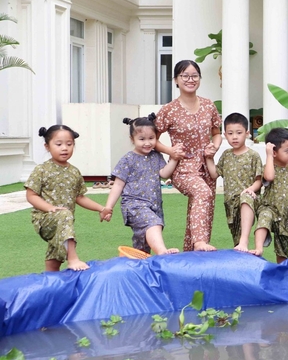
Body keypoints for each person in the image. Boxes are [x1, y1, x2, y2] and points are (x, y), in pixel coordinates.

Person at [155, 60, 222, 252]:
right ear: (176, 80)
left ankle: (192, 256)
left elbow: (217, 133)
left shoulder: (209, 106)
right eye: (185, 76)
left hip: (207, 168)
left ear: (199, 79)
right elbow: (153, 140)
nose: (190, 80)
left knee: (205, 210)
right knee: (202, 193)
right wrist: (171, 151)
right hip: (183, 169)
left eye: (194, 76)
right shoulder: (168, 110)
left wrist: (214, 147)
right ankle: (199, 242)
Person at [25, 125, 106, 271]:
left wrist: (101, 208)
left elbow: (79, 197)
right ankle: (73, 259)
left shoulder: (74, 172)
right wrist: (50, 208)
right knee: (64, 215)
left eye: (69, 144)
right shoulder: (41, 170)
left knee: (56, 252)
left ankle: (51, 280)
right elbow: (31, 195)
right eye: (59, 144)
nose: (64, 148)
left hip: (64, 223)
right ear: (47, 146)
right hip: (45, 219)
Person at [102, 114, 182, 255]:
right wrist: (108, 207)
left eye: (151, 138)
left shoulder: (156, 156)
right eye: (142, 139)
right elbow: (118, 185)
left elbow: (164, 174)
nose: (147, 143)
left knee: (143, 244)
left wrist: (174, 159)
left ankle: (138, 263)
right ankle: (162, 252)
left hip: (153, 206)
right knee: (153, 223)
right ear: (132, 139)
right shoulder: (128, 159)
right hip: (134, 205)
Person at [206, 112, 263, 252]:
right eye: (230, 133)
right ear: (225, 135)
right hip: (230, 202)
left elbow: (259, 180)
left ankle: (244, 241)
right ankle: (244, 255)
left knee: (245, 199)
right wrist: (208, 157)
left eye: (239, 133)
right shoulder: (226, 155)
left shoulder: (253, 155)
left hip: (249, 199)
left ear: (247, 133)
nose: (235, 137)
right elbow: (214, 174)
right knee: (237, 240)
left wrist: (250, 189)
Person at [258, 128, 288, 261]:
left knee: (282, 249)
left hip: (286, 215)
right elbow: (269, 177)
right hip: (270, 208)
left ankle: (281, 270)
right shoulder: (268, 167)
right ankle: (258, 248)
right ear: (274, 152)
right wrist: (268, 155)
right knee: (264, 219)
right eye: (287, 151)